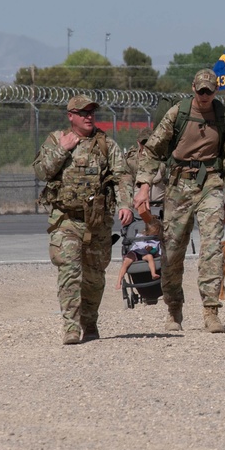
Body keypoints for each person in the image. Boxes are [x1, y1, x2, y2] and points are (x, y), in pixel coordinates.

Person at [134, 70, 225, 334]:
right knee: (172, 249)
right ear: (193, 88)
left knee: (212, 246)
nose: (204, 96)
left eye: (209, 91)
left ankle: (211, 310)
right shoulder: (178, 113)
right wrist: (144, 185)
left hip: (211, 181)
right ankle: (173, 308)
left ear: (216, 91)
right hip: (180, 182)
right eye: (200, 91)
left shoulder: (223, 116)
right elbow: (152, 149)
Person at [34, 94, 131, 345]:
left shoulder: (106, 145)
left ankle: (89, 321)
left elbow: (122, 176)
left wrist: (126, 204)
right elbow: (41, 170)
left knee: (94, 277)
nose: (88, 116)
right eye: (83, 112)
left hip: (97, 222)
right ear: (71, 116)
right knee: (69, 272)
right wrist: (61, 150)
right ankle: (70, 327)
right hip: (66, 220)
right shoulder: (57, 140)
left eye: (91, 112)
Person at [115, 215, 162, 289]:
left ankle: (153, 274)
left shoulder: (156, 240)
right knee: (126, 262)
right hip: (136, 252)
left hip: (146, 254)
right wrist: (146, 246)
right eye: (153, 233)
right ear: (147, 231)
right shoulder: (140, 235)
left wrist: (153, 250)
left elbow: (157, 251)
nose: (154, 235)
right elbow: (138, 243)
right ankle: (119, 281)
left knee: (150, 257)